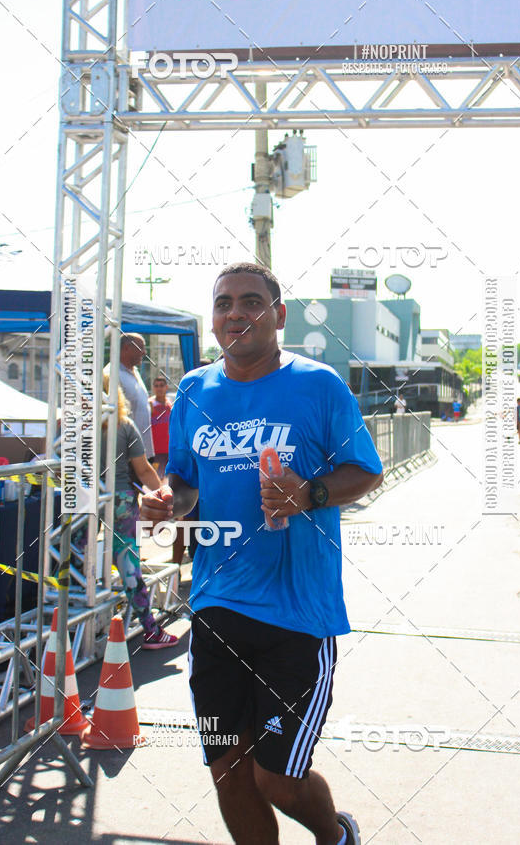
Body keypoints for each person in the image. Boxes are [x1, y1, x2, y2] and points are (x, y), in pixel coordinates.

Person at [140, 262, 383, 845]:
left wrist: (310, 493)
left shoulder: (318, 385)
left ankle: (336, 836)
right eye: (223, 303)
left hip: (297, 614)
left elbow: (367, 471)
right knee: (229, 770)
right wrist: (168, 500)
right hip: (217, 605)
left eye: (251, 301)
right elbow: (186, 480)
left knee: (276, 778)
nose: (236, 313)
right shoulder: (195, 389)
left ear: (278, 314)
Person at [100, 371, 178, 649]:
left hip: (82, 499)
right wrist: (166, 500)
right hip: (121, 499)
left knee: (76, 560)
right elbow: (144, 470)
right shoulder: (123, 425)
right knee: (128, 565)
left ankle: (66, 629)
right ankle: (151, 629)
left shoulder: (72, 428)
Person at [108, 333, 154, 460]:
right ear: (127, 348)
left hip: (143, 452)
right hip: (127, 456)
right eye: (141, 347)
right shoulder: (112, 374)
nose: (144, 352)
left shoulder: (135, 372)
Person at [149, 374, 173, 479]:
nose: (159, 388)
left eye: (161, 385)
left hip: (169, 451)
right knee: (156, 478)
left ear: (166, 387)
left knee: (168, 480)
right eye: (156, 386)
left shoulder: (170, 404)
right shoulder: (150, 404)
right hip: (155, 453)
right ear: (153, 388)